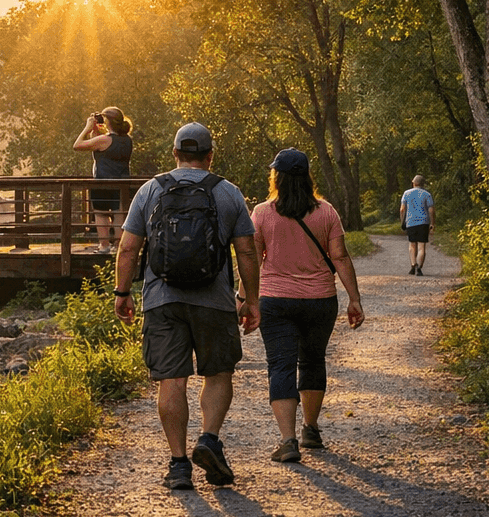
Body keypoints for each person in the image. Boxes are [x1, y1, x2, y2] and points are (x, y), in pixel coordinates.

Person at [114, 122, 260, 490]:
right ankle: (209, 439)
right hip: (215, 301)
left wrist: (122, 293)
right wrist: (250, 299)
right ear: (210, 155)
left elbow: (129, 247)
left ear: (175, 154)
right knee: (218, 373)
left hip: (162, 300)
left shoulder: (150, 190)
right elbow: (246, 251)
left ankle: (179, 465)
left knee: (171, 381)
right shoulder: (228, 193)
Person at [250, 149, 365, 464]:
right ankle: (310, 430)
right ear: (307, 177)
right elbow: (340, 257)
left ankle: (288, 441)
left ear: (278, 177)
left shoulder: (261, 213)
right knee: (312, 361)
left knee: (281, 366)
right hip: (319, 301)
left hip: (275, 301)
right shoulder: (326, 212)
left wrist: (245, 299)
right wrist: (354, 298)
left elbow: (251, 261)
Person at [74, 107, 134, 254]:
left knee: (101, 214)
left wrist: (87, 129)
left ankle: (104, 246)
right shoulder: (127, 141)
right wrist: (95, 131)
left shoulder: (104, 140)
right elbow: (99, 146)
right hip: (122, 183)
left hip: (102, 182)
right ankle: (118, 247)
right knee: (119, 213)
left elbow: (77, 145)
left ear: (107, 121)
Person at [400, 174, 435, 276]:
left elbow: (402, 209)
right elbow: (431, 210)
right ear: (423, 184)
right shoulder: (427, 194)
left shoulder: (406, 193)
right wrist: (432, 223)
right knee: (421, 246)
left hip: (410, 222)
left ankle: (413, 265)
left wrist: (403, 221)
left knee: (412, 244)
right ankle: (419, 268)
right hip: (423, 222)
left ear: (413, 183)